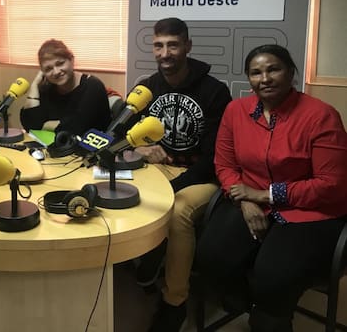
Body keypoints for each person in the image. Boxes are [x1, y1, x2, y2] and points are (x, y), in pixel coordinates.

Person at [195, 44, 347, 332]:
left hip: (310, 211)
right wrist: (245, 200)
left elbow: (332, 184)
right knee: (210, 256)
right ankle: (248, 304)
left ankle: (269, 318)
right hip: (250, 199)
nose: (264, 78)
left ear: (290, 72)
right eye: (256, 73)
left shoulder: (321, 116)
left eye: (273, 69)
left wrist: (267, 194)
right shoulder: (236, 111)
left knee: (273, 277)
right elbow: (225, 165)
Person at [124, 18, 232, 332]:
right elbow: (125, 134)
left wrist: (172, 186)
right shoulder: (148, 87)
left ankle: (175, 302)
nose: (165, 53)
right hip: (160, 169)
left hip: (200, 176)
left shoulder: (215, 91)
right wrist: (141, 148)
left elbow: (213, 159)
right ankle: (147, 258)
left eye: (172, 45)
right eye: (158, 45)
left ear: (187, 46)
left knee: (178, 211)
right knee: (121, 190)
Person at [19, 39, 111, 137]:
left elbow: (76, 129)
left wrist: (46, 125)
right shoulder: (47, 87)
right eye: (48, 69)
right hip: (58, 144)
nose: (56, 72)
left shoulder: (92, 86)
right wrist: (34, 86)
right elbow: (31, 126)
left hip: (91, 145)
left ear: (71, 60)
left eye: (60, 63)